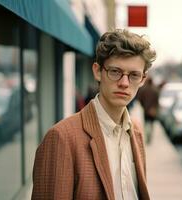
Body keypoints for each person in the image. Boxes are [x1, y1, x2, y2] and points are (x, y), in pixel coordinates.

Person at [31, 29, 156, 200]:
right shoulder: (61, 138)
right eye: (115, 72)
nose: (124, 83)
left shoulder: (136, 134)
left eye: (134, 75)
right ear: (97, 71)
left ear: (142, 79)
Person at [137, 77, 159, 144]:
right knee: (151, 124)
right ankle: (150, 136)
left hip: (146, 110)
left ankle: (147, 136)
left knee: (146, 123)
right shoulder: (155, 90)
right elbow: (157, 101)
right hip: (153, 110)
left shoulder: (143, 90)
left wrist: (143, 106)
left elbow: (139, 98)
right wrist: (155, 108)